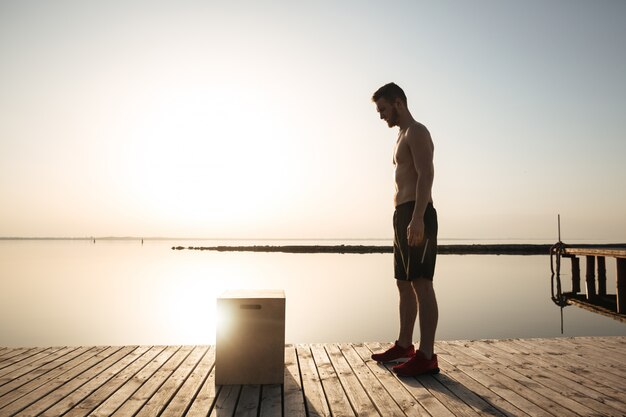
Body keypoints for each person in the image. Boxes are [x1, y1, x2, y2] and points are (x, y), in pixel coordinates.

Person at [370, 82, 440, 376]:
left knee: (422, 282)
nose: (381, 115)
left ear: (398, 103)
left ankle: (426, 355)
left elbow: (426, 174)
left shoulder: (417, 131)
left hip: (417, 212)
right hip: (402, 214)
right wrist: (405, 217)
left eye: (383, 109)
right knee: (403, 282)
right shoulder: (400, 135)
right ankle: (404, 345)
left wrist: (418, 218)